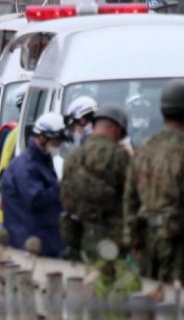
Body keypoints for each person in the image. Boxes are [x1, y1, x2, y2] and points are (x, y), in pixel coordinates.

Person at [123, 80, 184, 288]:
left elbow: (130, 197)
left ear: (163, 112)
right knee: (175, 301)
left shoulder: (145, 148)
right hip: (178, 243)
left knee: (148, 296)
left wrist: (131, 238)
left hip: (146, 238)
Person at [60, 104, 130, 261]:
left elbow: (65, 197)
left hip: (76, 237)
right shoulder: (119, 156)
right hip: (110, 242)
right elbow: (130, 198)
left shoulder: (72, 156)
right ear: (118, 130)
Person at [0, 112, 67, 257]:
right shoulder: (26, 166)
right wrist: (61, 187)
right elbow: (35, 199)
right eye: (56, 142)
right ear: (43, 138)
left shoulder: (41, 161)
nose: (59, 146)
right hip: (29, 244)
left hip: (42, 239)